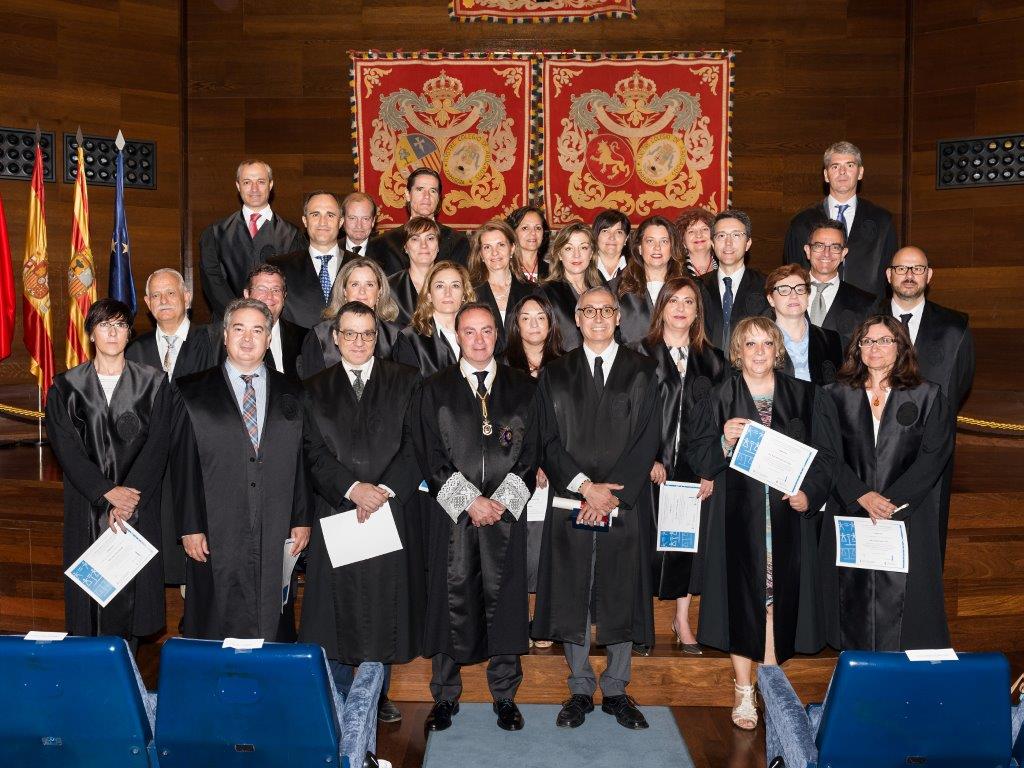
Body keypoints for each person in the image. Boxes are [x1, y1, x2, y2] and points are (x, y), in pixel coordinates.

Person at [686, 316, 838, 731]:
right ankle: (743, 690)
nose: (758, 352)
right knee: (742, 600)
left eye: (766, 344)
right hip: (736, 518)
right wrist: (723, 441)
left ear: (778, 350)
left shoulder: (806, 396)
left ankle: (769, 685)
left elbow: (826, 457)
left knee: (775, 600)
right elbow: (698, 458)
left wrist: (810, 494)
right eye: (749, 344)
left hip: (786, 519)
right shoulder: (718, 398)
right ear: (737, 352)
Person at [533, 286, 661, 731]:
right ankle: (580, 689)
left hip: (622, 503)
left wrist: (610, 496)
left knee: (620, 592)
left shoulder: (643, 371)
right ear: (577, 317)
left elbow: (647, 440)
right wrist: (586, 488)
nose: (599, 318)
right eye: (590, 311)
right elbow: (546, 439)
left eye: (607, 310)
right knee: (573, 593)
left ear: (619, 317)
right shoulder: (555, 373)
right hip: (572, 499)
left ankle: (618, 689)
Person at [416, 302, 539, 733]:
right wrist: (469, 501)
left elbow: (533, 451)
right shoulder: (433, 389)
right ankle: (445, 696)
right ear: (457, 336)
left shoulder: (524, 387)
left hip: (505, 515)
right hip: (454, 515)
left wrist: (500, 502)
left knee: (505, 602)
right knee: (448, 601)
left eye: (487, 330)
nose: (479, 339)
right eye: (470, 331)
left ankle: (505, 696)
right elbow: (428, 454)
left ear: (498, 334)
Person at [300, 301, 423, 725]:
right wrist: (353, 489)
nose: (358, 342)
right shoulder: (314, 387)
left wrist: (382, 491)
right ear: (335, 338)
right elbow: (311, 451)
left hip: (389, 508)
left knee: (383, 604)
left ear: (377, 337)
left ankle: (376, 694)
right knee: (334, 607)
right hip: (337, 508)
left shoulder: (406, 380)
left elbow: (417, 443)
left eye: (366, 334)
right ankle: (336, 693)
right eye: (349, 333)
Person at [171, 298, 312, 641]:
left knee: (273, 616)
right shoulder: (192, 391)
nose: (247, 338)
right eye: (239, 329)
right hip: (215, 527)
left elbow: (302, 461)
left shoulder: (293, 391)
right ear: (225, 336)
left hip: (276, 522)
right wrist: (190, 526)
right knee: (216, 621)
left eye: (257, 330)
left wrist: (301, 517)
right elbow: (182, 465)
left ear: (268, 338)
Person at [820, 316, 953, 651]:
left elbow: (934, 457)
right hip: (851, 511)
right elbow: (827, 453)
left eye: (883, 340)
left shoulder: (928, 395)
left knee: (906, 611)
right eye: (866, 341)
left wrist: (891, 502)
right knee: (852, 600)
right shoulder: (834, 395)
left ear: (900, 346)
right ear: (857, 349)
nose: (874, 348)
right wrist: (861, 495)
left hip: (907, 514)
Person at [47, 298, 170, 648]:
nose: (112, 332)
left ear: (129, 333)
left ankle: (129, 675)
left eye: (120, 325)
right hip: (88, 507)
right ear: (91, 333)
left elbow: (158, 445)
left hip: (136, 508)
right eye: (104, 325)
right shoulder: (65, 387)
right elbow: (66, 451)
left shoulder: (154, 383)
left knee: (133, 604)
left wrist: (128, 498)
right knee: (89, 604)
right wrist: (106, 491)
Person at [636, 277, 728, 654]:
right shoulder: (640, 353)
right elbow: (629, 415)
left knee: (686, 544)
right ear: (661, 307)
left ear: (697, 311)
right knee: (644, 544)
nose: (680, 308)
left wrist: (710, 469)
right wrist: (647, 458)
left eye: (688, 302)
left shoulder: (714, 360)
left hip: (694, 469)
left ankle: (682, 619)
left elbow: (721, 421)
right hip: (650, 469)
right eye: (673, 300)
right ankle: (640, 622)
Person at [880, 246, 975, 559]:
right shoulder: (864, 320)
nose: (909, 275)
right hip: (873, 449)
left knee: (926, 546)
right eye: (902, 268)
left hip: (930, 452)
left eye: (917, 268)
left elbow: (959, 385)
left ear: (929, 275)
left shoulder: (955, 327)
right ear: (889, 274)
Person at [126, 268, 216, 586]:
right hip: (152, 471)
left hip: (199, 468)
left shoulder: (213, 342)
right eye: (156, 295)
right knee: (154, 561)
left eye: (171, 293)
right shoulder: (135, 351)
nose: (163, 300)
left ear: (187, 298)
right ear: (147, 303)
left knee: (198, 568)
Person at [503, 293, 564, 648]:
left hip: (556, 472)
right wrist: (529, 461)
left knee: (546, 543)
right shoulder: (503, 366)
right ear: (516, 324)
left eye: (540, 316)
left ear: (551, 322)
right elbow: (503, 427)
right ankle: (518, 618)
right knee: (518, 543)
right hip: (514, 469)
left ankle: (543, 619)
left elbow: (566, 425)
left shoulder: (566, 365)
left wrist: (547, 462)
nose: (534, 324)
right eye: (526, 317)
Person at [784, 141, 898, 298]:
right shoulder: (802, 222)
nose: (842, 172)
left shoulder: (882, 221)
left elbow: (892, 275)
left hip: (868, 309)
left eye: (850, 165)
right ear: (826, 175)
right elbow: (792, 274)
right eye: (835, 166)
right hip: (815, 307)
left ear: (860, 172)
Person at [199, 159, 302, 318]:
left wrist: (269, 319)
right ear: (238, 186)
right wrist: (238, 316)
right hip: (228, 322)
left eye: (261, 181)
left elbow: (293, 286)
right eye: (247, 182)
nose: (254, 188)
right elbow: (213, 282)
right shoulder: (214, 234)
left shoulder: (291, 235)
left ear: (271, 184)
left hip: (276, 323)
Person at [299, 258, 402, 378]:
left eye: (369, 285)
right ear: (344, 291)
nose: (362, 292)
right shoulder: (319, 335)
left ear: (380, 291)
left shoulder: (396, 336)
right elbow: (312, 385)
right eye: (355, 284)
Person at [367, 168, 469, 274]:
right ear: (408, 195)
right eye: (420, 189)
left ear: (439, 198)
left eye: (433, 191)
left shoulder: (458, 242)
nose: (427, 196)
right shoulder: (383, 244)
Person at [268, 191, 345, 330]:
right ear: (305, 221)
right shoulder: (278, 268)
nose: (323, 222)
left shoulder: (360, 266)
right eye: (315, 214)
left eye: (330, 215)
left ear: (340, 222)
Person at [698, 210, 771, 349]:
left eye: (736, 235)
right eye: (721, 236)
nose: (728, 243)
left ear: (748, 243)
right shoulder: (696, 286)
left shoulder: (766, 286)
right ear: (712, 243)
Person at [392, 261, 475, 377]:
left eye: (455, 285)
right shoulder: (410, 339)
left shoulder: (480, 333)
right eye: (440, 286)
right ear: (429, 295)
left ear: (464, 295)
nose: (448, 293)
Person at [765, 264, 844, 386]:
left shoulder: (831, 339)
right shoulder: (760, 341)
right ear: (771, 299)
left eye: (800, 289)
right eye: (784, 290)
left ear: (807, 296)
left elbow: (840, 387)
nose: (794, 296)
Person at [802, 220, 876, 348]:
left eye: (835, 247)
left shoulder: (865, 303)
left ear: (843, 254)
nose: (826, 253)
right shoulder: (785, 294)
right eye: (819, 246)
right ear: (808, 251)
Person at [612, 215, 685, 345]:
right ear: (640, 248)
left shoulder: (688, 288)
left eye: (664, 241)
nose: (657, 247)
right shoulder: (616, 288)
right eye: (650, 241)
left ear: (672, 248)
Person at [468, 219, 534, 348]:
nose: (495, 252)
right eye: (487, 247)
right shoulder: (469, 291)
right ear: (480, 254)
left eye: (501, 245)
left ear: (512, 248)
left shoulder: (532, 291)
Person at [540, 222, 602, 352]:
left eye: (583, 248)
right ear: (559, 254)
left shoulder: (602, 287)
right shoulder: (546, 292)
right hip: (563, 362)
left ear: (591, 253)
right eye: (569, 248)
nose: (576, 255)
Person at [240, 263, 305, 380]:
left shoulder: (304, 337)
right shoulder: (228, 338)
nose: (269, 296)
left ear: (284, 296)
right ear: (247, 295)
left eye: (276, 290)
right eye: (261, 289)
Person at [389, 217, 441, 326]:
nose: (424, 245)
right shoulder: (390, 288)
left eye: (430, 238)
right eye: (415, 239)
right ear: (406, 247)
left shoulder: (453, 284)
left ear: (438, 246)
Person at [506, 206, 550, 283]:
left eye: (538, 228)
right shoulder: (504, 269)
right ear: (513, 232)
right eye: (525, 228)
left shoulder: (553, 272)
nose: (533, 233)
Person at [675, 208, 718, 277]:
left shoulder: (725, 266)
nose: (699, 235)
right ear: (683, 241)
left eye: (704, 229)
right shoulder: (675, 271)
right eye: (691, 231)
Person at [592, 209, 631, 283]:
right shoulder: (584, 267)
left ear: (626, 238)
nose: (612, 237)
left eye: (619, 232)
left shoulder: (636, 269)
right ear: (596, 236)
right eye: (605, 231)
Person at [341, 191, 378, 260]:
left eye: (365, 219)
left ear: (373, 221)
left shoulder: (386, 252)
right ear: (342, 220)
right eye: (352, 218)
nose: (359, 225)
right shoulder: (331, 250)